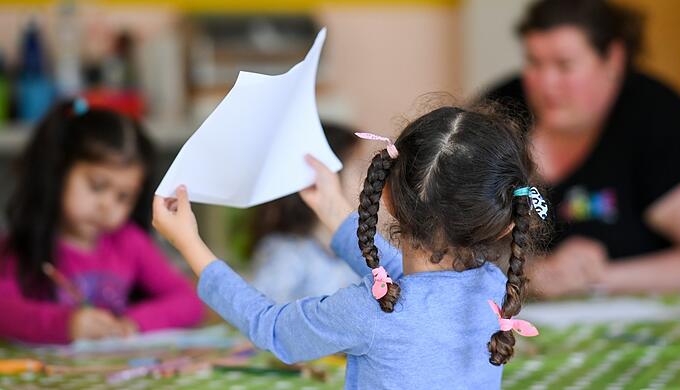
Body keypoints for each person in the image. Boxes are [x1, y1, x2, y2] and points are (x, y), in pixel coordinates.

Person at [153, 104, 546, 388]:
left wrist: (190, 245)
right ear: (503, 223)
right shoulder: (495, 288)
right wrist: (332, 208)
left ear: (387, 195)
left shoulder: (370, 310)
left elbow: (273, 328)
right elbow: (414, 285)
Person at [487, 0, 680, 297]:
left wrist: (598, 277)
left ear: (613, 59)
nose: (546, 83)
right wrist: (532, 270)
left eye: (564, 65)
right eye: (534, 62)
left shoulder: (658, 119)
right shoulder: (501, 110)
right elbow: (456, 243)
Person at [0, 99, 204, 344]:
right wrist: (65, 325)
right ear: (57, 171)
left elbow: (189, 301)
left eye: (124, 197)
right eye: (97, 186)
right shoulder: (22, 247)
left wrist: (134, 323)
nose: (107, 206)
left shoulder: (129, 242)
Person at [250, 122, 361, 303]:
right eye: (358, 170)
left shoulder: (357, 252)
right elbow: (258, 315)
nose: (368, 179)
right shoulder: (288, 254)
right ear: (321, 179)